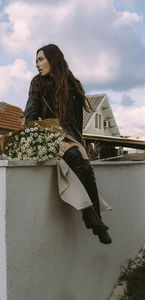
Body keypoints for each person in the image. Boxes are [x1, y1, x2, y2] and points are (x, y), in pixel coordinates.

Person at [24, 44, 112, 244]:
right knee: (73, 156)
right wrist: (53, 141)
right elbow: (30, 119)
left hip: (69, 136)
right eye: (36, 60)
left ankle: (95, 219)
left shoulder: (72, 84)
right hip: (44, 133)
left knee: (85, 165)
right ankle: (91, 217)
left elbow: (76, 124)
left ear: (53, 59)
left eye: (41, 59)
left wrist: (79, 144)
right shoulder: (37, 83)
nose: (37, 64)